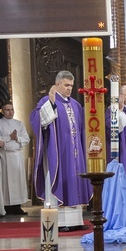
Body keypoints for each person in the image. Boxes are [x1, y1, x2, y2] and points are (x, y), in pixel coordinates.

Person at [30, 70, 92, 228]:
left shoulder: (75, 105)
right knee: (58, 180)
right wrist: (50, 104)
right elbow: (37, 121)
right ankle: (59, 223)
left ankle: (76, 221)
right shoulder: (47, 100)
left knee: (75, 180)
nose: (69, 88)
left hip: (75, 153)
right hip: (58, 153)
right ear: (57, 84)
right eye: (66, 85)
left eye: (71, 85)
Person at [0, 101, 30, 215]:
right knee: (6, 181)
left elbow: (26, 138)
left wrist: (17, 138)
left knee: (18, 182)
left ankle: (17, 205)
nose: (10, 112)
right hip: (5, 156)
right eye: (7, 110)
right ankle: (6, 206)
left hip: (17, 155)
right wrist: (9, 137)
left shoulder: (19, 123)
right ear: (2, 111)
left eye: (12, 109)